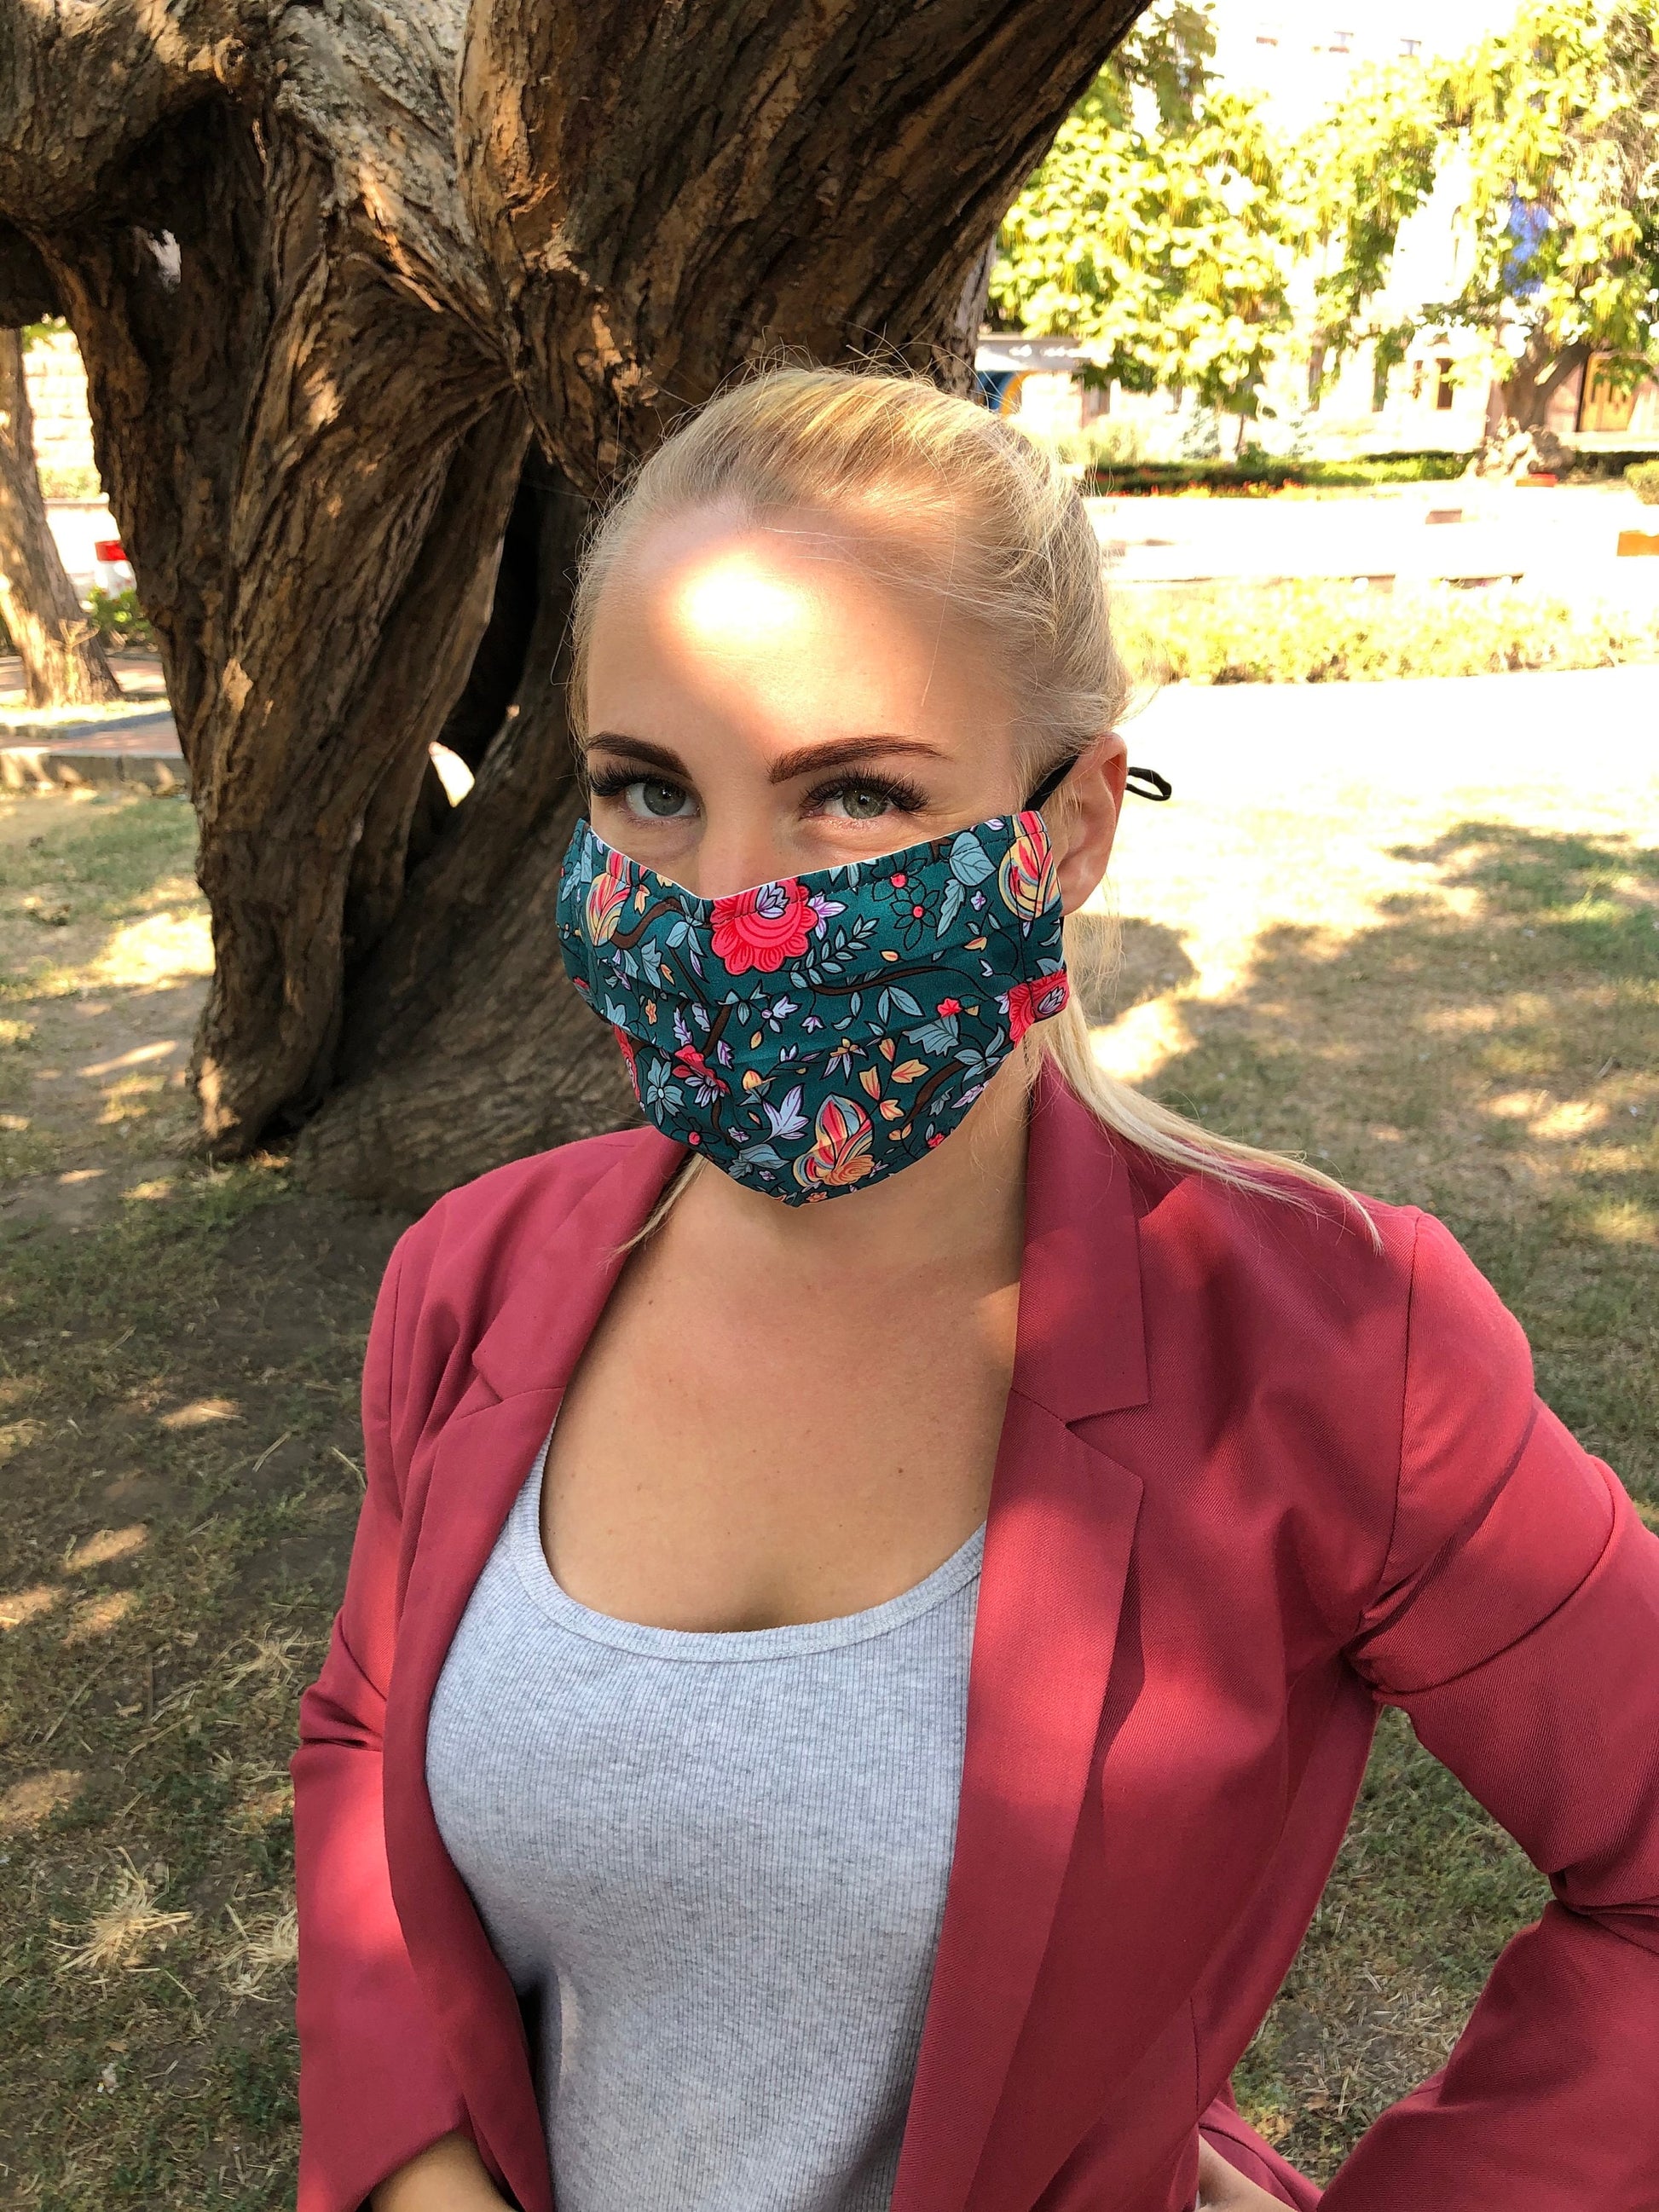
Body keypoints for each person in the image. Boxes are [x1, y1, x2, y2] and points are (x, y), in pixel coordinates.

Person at [291, 367, 1659, 2212]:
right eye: (648, 790)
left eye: (852, 794)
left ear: (1070, 827)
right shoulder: (473, 1280)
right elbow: (365, 1730)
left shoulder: (1328, 1341)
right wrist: (423, 2174)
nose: (728, 902)